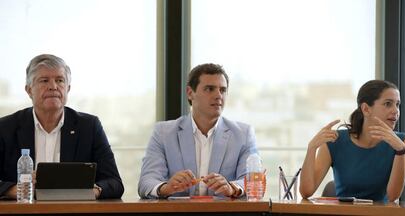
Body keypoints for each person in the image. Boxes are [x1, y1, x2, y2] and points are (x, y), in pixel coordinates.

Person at [0, 54, 124, 199]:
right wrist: (16, 190)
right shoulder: (5, 128)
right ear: (29, 90)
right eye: (44, 80)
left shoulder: (89, 127)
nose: (53, 87)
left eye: (60, 80)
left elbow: (114, 183)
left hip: (73, 211)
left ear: (68, 88)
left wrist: (92, 191)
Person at [138, 63, 258, 199]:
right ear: (190, 93)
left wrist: (232, 188)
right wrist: (165, 188)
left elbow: (253, 181)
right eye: (210, 89)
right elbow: (146, 181)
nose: (218, 95)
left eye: (223, 90)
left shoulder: (243, 134)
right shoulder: (163, 133)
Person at [300, 80, 405, 202]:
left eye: (397, 104)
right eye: (388, 104)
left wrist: (400, 150)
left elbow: (393, 196)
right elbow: (306, 192)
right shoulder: (335, 141)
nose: (395, 110)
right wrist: (311, 148)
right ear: (366, 109)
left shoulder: (403, 142)